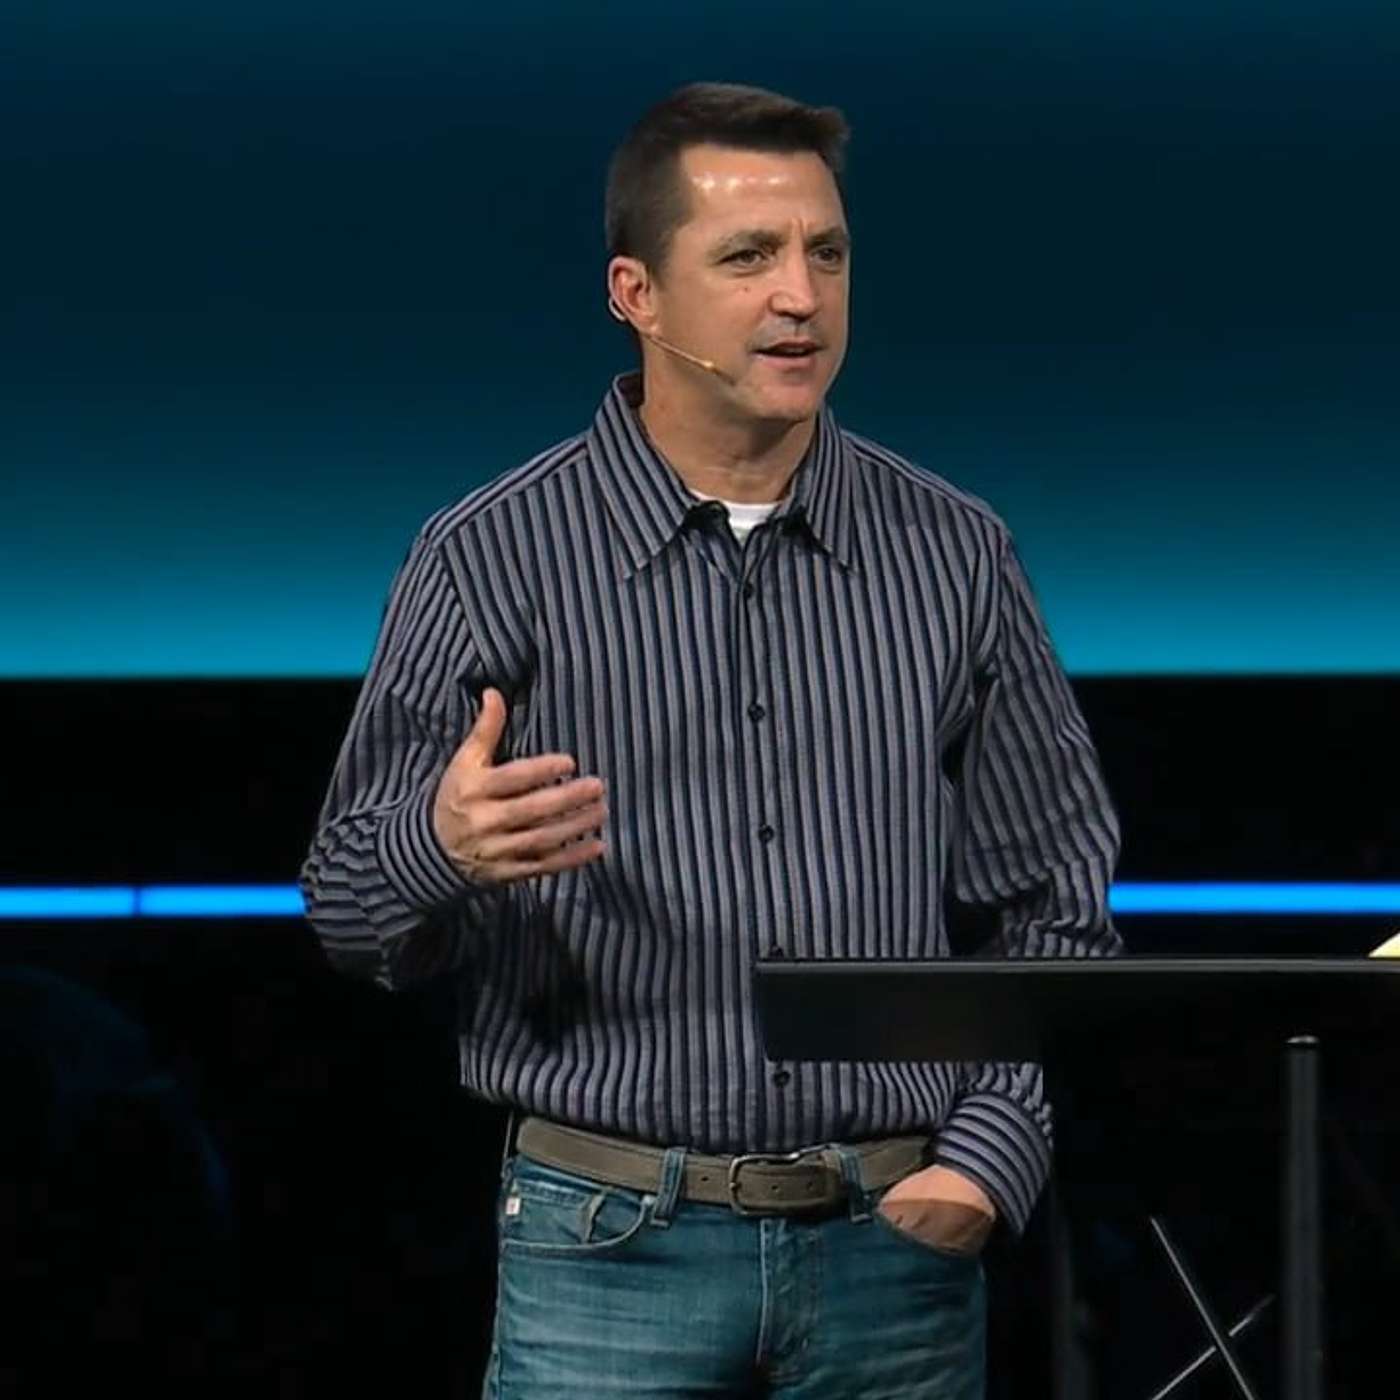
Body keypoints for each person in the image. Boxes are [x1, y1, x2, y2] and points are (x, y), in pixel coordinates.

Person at [301, 81, 1120, 1399]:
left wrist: (988, 1156)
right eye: (748, 257)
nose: (801, 296)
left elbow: (1053, 910)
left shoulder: (956, 553)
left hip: (894, 1253)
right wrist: (438, 846)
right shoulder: (490, 555)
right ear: (637, 293)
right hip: (604, 1253)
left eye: (826, 253)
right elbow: (346, 911)